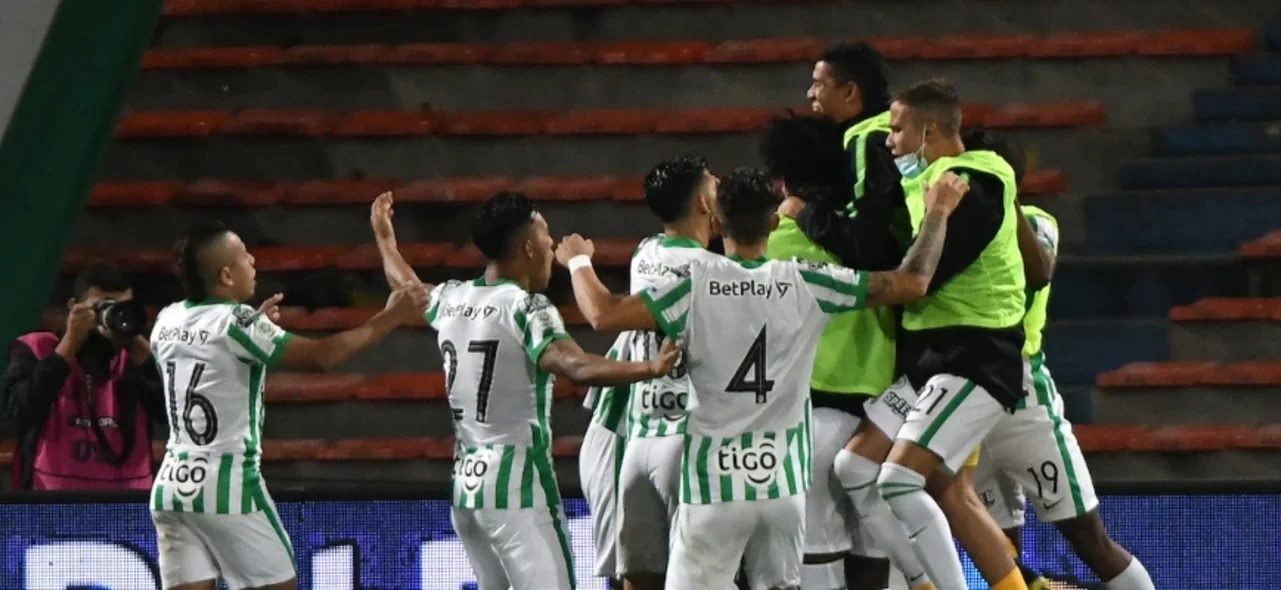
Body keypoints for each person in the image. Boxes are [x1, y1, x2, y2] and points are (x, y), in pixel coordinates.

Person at [555, 166, 966, 590]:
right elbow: (913, 282)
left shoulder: (696, 284)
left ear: (716, 222)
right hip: (782, 490)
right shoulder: (807, 280)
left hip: (713, 485)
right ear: (774, 221)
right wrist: (937, 212)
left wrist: (578, 262)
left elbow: (603, 313)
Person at [370, 190, 680, 590]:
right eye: (546, 236)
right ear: (527, 247)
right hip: (519, 490)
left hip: (467, 492)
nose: (553, 246)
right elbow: (575, 364)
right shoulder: (527, 308)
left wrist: (384, 240)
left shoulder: (451, 297)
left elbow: (406, 284)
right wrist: (649, 368)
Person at [149, 220, 428, 590]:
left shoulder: (166, 320)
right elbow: (321, 358)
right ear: (227, 274)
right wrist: (390, 317)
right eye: (244, 255)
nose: (253, 260)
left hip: (172, 484)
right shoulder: (238, 324)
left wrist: (256, 328)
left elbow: (206, 360)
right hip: (227, 482)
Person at [974, 204, 1156, 590]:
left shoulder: (1036, 221)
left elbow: (1035, 275)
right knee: (997, 550)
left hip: (1020, 394)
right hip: (963, 395)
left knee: (1090, 540)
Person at [576, 155, 721, 590]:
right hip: (688, 438)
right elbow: (605, 315)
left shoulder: (645, 253)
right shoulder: (707, 270)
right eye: (714, 184)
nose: (721, 188)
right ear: (701, 203)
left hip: (638, 437)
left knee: (638, 575)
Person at [4, 263, 163, 491]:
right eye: (103, 307)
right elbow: (18, 415)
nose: (111, 316)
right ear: (73, 307)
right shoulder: (37, 348)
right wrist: (68, 346)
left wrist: (145, 358)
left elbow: (172, 416)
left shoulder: (139, 356)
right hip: (51, 499)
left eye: (121, 308)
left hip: (128, 503)